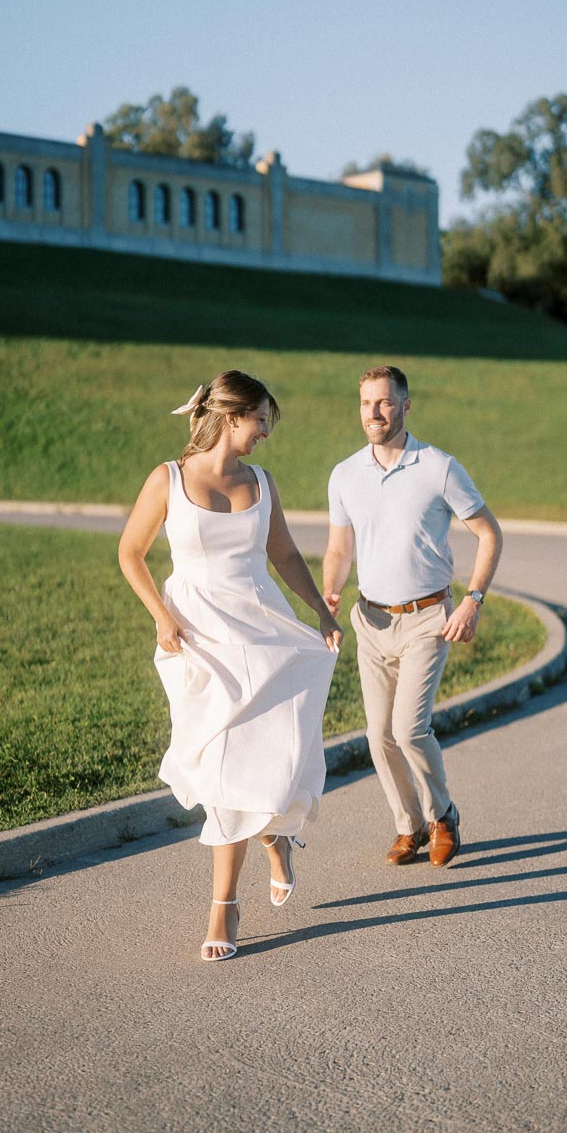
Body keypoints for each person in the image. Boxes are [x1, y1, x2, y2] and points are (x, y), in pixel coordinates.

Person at [119, 370, 343, 962]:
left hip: (261, 631)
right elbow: (130, 553)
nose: (266, 431)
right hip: (197, 639)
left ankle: (224, 903)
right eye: (261, 418)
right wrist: (160, 618)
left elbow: (286, 555)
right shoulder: (167, 479)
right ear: (231, 415)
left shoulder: (262, 483)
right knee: (219, 765)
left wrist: (320, 611)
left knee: (253, 759)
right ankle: (271, 834)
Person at [322, 365, 502, 868]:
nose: (373, 413)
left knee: (408, 729)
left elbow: (489, 534)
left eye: (383, 403)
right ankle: (411, 827)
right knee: (377, 735)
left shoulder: (438, 467)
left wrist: (473, 600)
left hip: (428, 618)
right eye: (365, 403)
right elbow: (339, 547)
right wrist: (330, 595)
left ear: (405, 405)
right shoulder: (345, 474)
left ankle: (443, 815)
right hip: (370, 621)